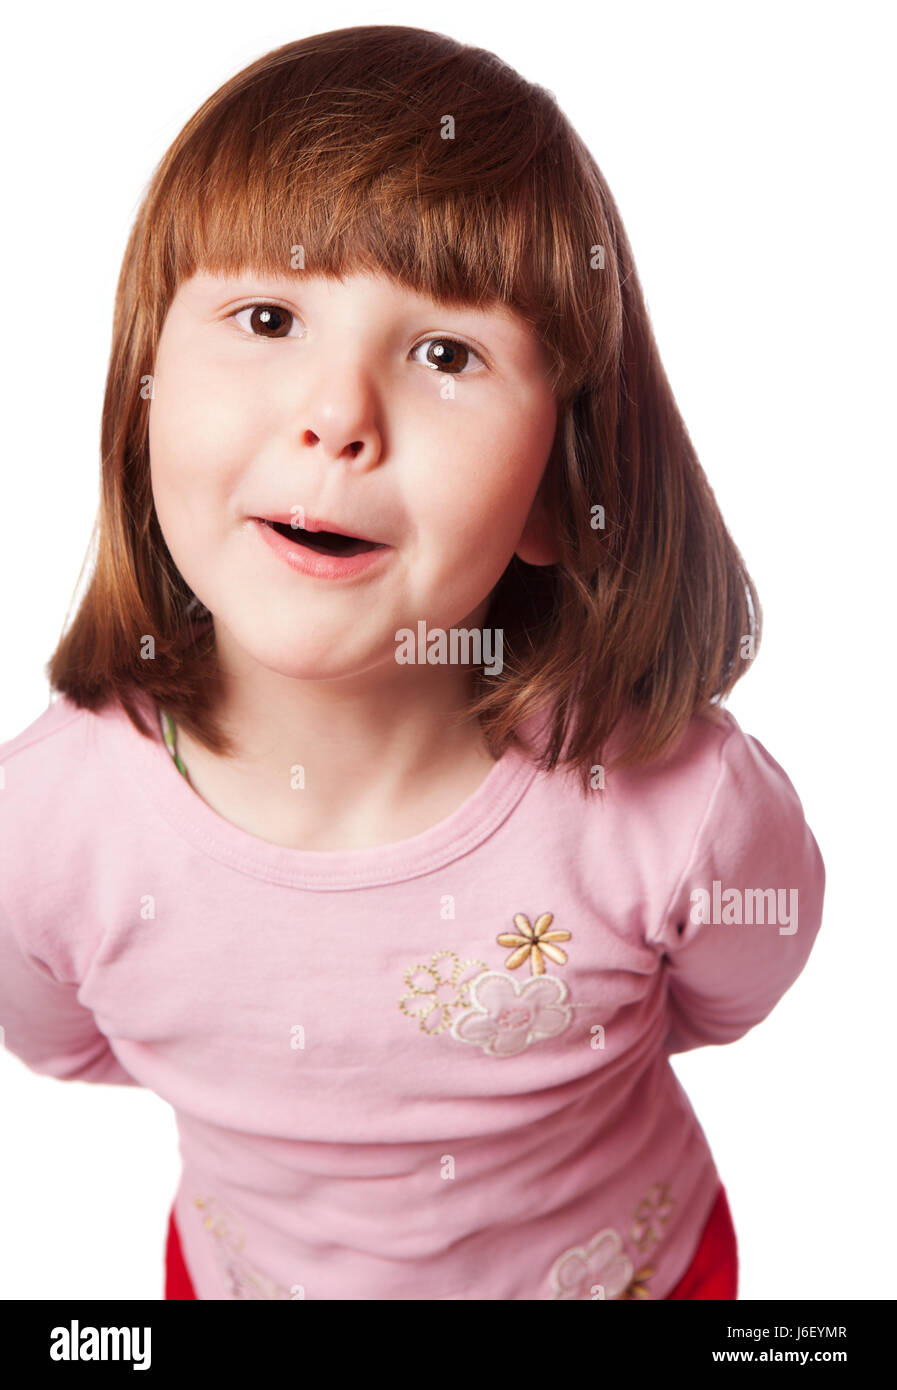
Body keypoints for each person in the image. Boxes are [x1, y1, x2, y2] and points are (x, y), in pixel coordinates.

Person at [0, 25, 825, 1301]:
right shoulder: (42, 829)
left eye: (447, 353)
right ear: (146, 393)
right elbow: (61, 1041)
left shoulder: (684, 806)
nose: (338, 417)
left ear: (563, 487)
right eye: (268, 315)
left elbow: (730, 993)